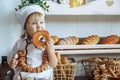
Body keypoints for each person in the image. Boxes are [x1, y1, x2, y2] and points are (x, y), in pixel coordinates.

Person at [9, 4, 58, 80]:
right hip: (26, 75)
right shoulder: (20, 43)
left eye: (41, 22)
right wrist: (13, 63)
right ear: (26, 27)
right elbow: (13, 60)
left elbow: (53, 64)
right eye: (33, 23)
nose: (39, 26)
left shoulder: (47, 43)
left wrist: (50, 50)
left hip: (44, 75)